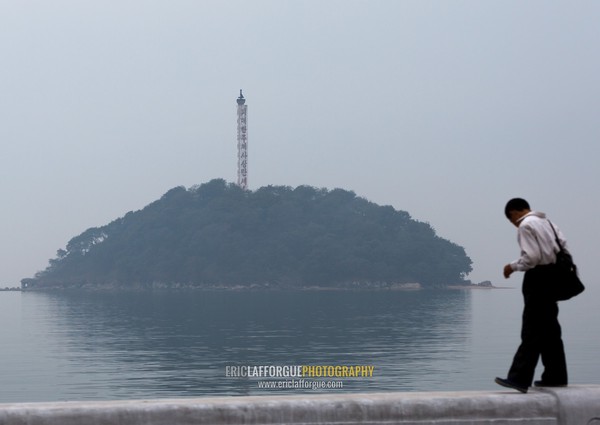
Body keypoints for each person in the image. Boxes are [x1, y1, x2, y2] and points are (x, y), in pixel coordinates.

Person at [495, 198, 569, 393]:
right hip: (554, 278)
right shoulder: (549, 224)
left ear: (515, 212)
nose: (515, 224)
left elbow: (532, 258)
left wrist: (511, 267)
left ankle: (519, 378)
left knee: (532, 328)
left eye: (512, 220)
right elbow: (563, 248)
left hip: (538, 279)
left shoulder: (526, 225)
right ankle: (556, 376)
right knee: (551, 330)